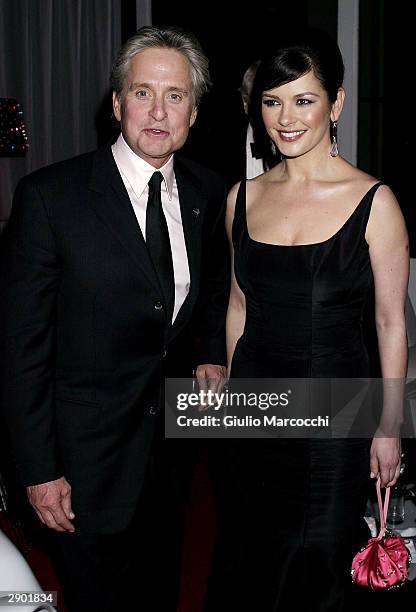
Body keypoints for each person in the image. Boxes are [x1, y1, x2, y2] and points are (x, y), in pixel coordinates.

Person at [0, 25, 229, 612]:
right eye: (143, 91)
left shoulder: (208, 194)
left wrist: (208, 350)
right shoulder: (50, 199)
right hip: (81, 471)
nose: (158, 111)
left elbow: (203, 297)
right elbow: (20, 348)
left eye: (175, 95)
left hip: (170, 465)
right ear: (117, 103)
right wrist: (39, 470)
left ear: (194, 113)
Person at [203, 29, 409, 611]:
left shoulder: (375, 201)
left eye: (303, 100)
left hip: (336, 421)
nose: (286, 118)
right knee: (253, 551)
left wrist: (389, 426)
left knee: (319, 556)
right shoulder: (240, 198)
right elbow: (238, 305)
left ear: (336, 102)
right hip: (255, 415)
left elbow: (392, 324)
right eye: (272, 101)